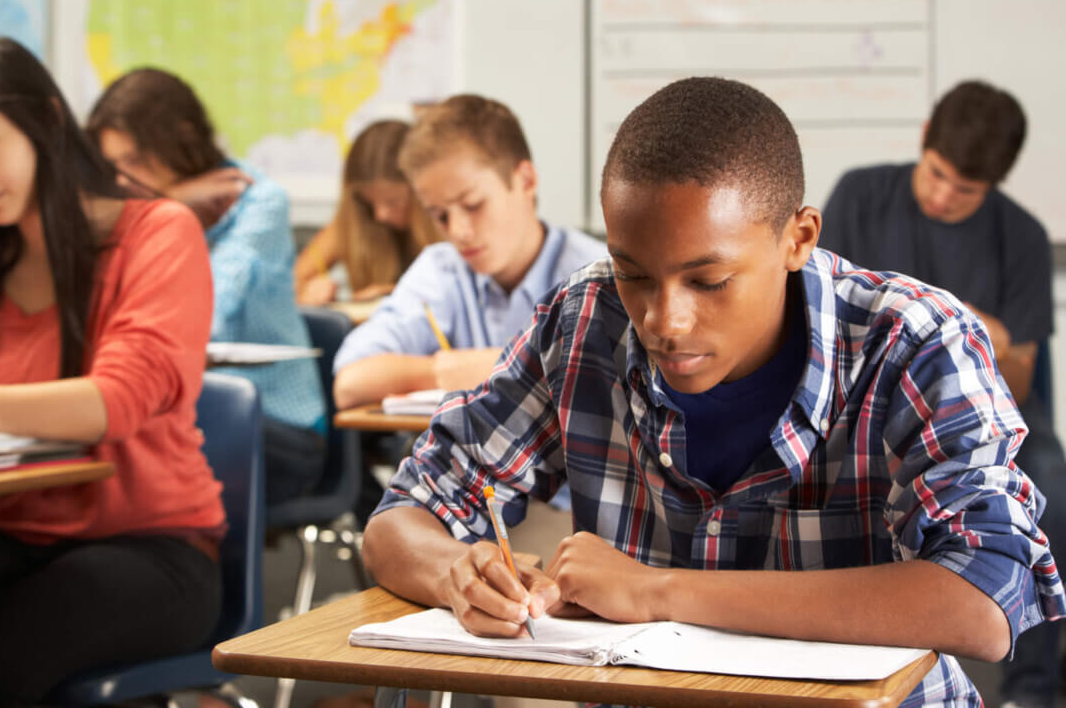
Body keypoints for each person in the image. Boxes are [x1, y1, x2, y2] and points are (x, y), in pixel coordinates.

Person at [360, 77, 1066, 707]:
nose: (665, 321)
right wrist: (457, 570)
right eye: (634, 272)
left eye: (709, 281)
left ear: (799, 238)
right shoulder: (583, 324)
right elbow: (403, 516)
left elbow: (983, 602)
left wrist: (655, 591)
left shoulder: (916, 342)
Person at [0, 37, 225, 706]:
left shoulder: (159, 234)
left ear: (47, 124)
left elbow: (112, 403)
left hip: (156, 549)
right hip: (16, 537)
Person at [821, 79, 1065, 708]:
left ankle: (1032, 688)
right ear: (924, 139)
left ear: (995, 185)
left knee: (1047, 481)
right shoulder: (860, 193)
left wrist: (966, 333)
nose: (945, 197)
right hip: (867, 400)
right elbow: (823, 323)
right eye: (937, 176)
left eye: (967, 191)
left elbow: (1016, 381)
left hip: (985, 411)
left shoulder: (1025, 237)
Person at [87, 67, 327, 505]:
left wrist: (166, 216)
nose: (122, 182)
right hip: (182, 414)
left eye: (136, 162)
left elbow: (200, 319)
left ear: (181, 140)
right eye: (112, 167)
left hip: (277, 426)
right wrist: (171, 205)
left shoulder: (258, 201)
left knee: (142, 447)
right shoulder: (130, 212)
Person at [332, 94, 607, 410]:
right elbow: (350, 383)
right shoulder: (441, 270)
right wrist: (442, 371)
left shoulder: (597, 275)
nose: (459, 232)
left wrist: (503, 364)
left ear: (526, 181)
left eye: (473, 205)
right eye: (440, 215)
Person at [294, 119, 441, 306]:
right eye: (368, 203)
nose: (380, 215)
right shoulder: (349, 225)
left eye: (392, 202)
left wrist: (395, 293)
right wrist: (309, 292)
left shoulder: (449, 224)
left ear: (421, 192)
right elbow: (292, 284)